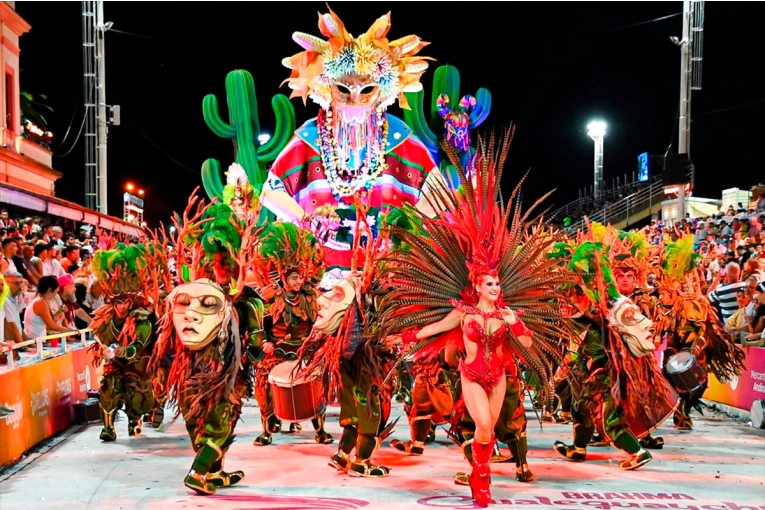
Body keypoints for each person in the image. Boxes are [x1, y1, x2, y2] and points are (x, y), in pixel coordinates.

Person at [376, 132, 569, 506]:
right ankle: (481, 484)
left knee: (489, 432)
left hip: (498, 375)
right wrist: (406, 338)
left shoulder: (506, 313)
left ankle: (480, 475)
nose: (496, 286)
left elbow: (527, 345)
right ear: (477, 285)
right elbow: (434, 328)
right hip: (472, 374)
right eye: (490, 283)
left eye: (498, 282)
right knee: (481, 425)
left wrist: (516, 323)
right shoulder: (462, 313)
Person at [23, 275, 73, 340]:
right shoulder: (40, 302)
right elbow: (52, 326)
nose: (56, 295)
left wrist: (60, 312)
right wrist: (71, 331)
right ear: (50, 290)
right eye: (56, 292)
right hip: (35, 339)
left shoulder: (41, 300)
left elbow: (50, 319)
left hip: (37, 338)